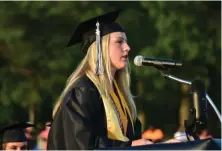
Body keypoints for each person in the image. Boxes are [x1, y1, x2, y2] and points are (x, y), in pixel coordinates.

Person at [47, 9, 179, 150]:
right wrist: (128, 146)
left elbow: (135, 142)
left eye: (126, 42)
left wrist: (162, 146)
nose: (127, 48)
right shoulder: (83, 91)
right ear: (100, 48)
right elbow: (81, 145)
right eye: (119, 42)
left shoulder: (120, 95)